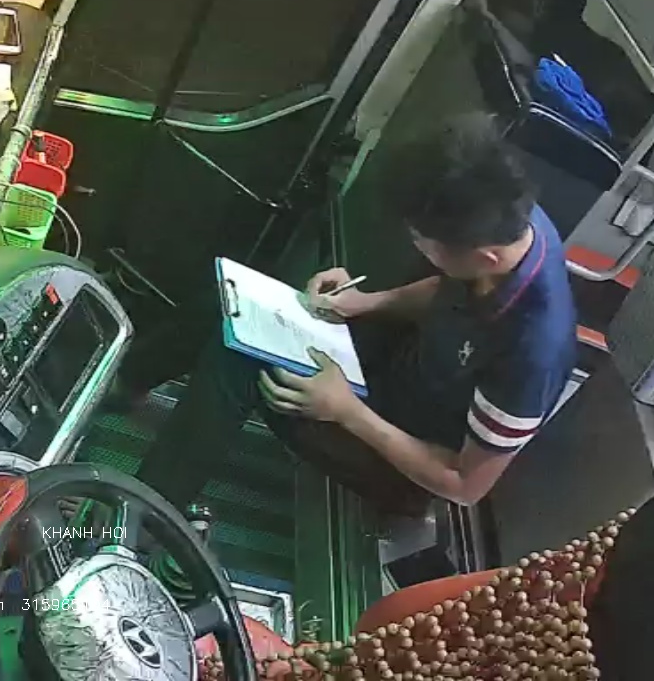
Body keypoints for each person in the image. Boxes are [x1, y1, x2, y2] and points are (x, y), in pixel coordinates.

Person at [135, 113, 578, 516]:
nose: (419, 249)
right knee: (238, 303)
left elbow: (463, 484)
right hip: (392, 373)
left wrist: (347, 412)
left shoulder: (534, 352)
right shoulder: (511, 222)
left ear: (485, 258)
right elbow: (447, 289)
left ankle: (139, 520)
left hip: (401, 460)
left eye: (424, 244)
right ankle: (117, 383)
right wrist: (367, 302)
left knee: (238, 361)